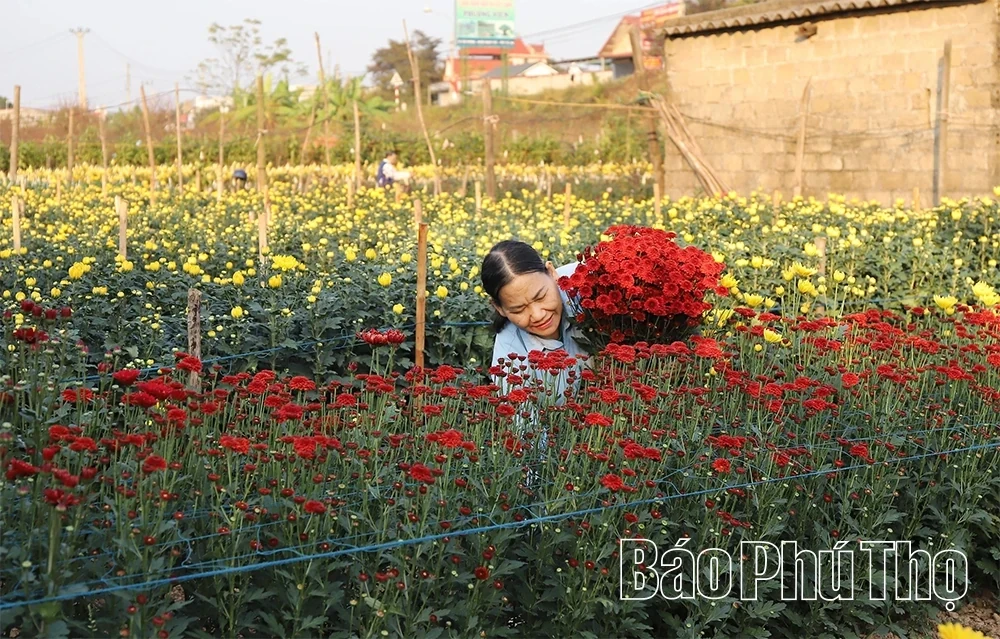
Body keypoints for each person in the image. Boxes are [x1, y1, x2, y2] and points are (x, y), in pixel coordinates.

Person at [480, 240, 589, 403]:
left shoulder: (586, 281)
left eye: (541, 297)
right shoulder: (508, 358)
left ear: (551, 273)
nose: (537, 315)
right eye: (519, 309)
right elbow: (523, 423)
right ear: (499, 308)